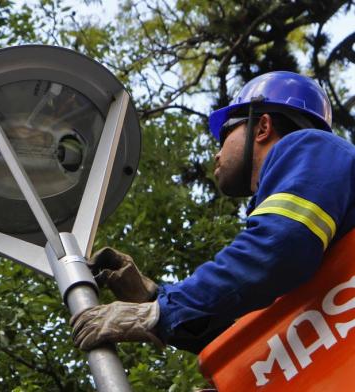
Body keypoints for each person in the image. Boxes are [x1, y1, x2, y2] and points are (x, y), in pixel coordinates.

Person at [72, 71, 355, 354]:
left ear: (262, 128)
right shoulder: (296, 261)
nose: (217, 155)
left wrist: (157, 312)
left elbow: (280, 247)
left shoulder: (309, 145)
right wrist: (152, 297)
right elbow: (248, 338)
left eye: (226, 134)